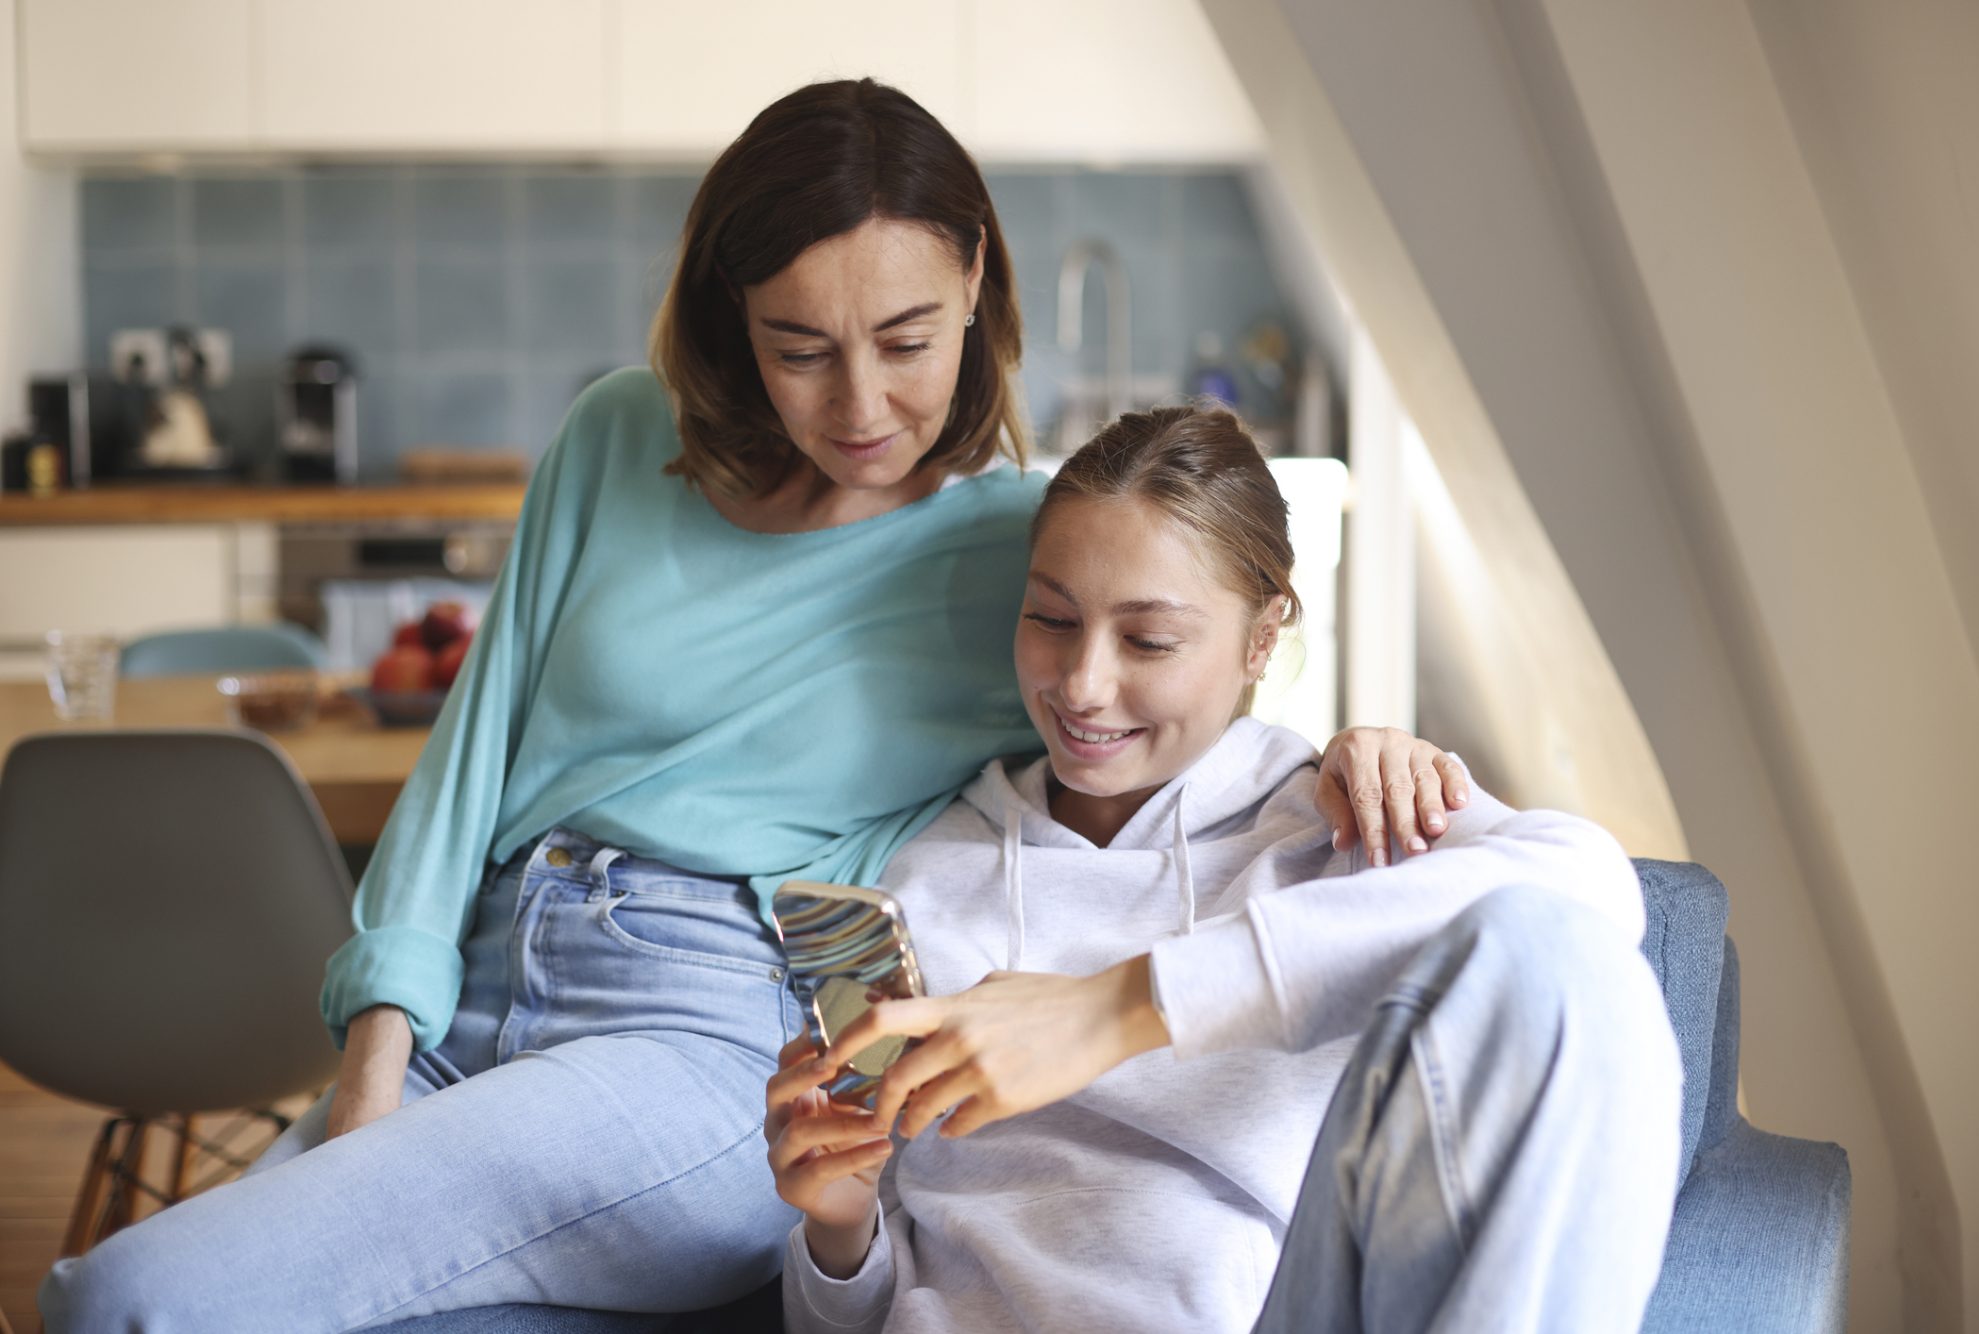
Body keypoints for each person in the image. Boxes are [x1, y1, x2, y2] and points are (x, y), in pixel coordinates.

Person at [40, 82, 1462, 1332]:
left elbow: (1181, 670)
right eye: (800, 346)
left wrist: (1353, 745)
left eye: (906, 339)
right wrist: (375, 1060)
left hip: (704, 1038)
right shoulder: (612, 437)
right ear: (735, 320)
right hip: (474, 995)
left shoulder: (1026, 551)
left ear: (976, 278)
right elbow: (463, 773)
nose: (860, 403)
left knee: (122, 1296)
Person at [767, 405, 1683, 1334]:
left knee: (1567, 965)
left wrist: (1119, 1007)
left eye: (1149, 641)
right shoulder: (925, 879)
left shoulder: (1341, 827)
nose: (1081, 684)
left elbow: (1591, 896)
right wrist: (839, 1233)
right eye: (1052, 618)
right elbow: (848, 1314)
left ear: (1261, 637)